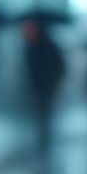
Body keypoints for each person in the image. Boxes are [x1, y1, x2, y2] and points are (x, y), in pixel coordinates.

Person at [20, 14, 68, 142]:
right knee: (42, 111)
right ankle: (44, 134)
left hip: (46, 85)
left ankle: (45, 135)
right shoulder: (36, 47)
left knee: (44, 110)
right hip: (41, 85)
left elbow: (60, 67)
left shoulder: (42, 47)